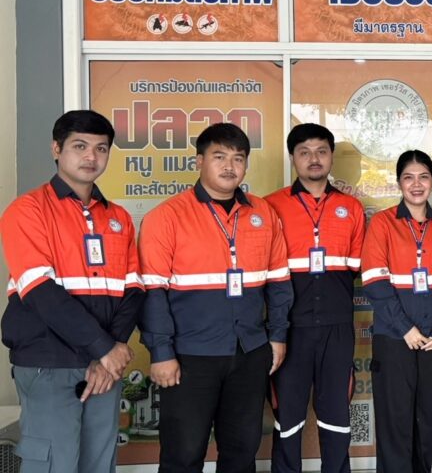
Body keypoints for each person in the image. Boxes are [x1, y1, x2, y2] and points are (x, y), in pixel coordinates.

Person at [139, 122, 294, 472]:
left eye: (238, 158)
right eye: (219, 156)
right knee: (183, 454)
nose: (229, 166)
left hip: (249, 352)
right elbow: (152, 293)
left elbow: (279, 282)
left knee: (242, 452)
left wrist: (278, 335)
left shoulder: (263, 213)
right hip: (189, 357)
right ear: (199, 162)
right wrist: (161, 352)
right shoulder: (166, 217)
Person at [0, 110, 142, 472]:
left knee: (99, 463)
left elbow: (134, 289)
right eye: (80, 146)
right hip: (49, 361)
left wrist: (109, 352)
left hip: (104, 366)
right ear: (56, 149)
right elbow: (41, 292)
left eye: (101, 148)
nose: (91, 156)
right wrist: (105, 348)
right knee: (54, 464)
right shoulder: (27, 211)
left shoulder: (119, 218)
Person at [265, 124, 365, 473]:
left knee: (336, 417)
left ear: (331, 156)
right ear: (293, 158)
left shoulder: (351, 207)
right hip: (289, 329)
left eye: (321, 151)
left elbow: (355, 267)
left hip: (337, 327)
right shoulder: (271, 206)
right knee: (288, 419)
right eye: (304, 152)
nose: (314, 159)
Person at [361, 150, 432, 473]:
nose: (416, 185)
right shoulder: (383, 223)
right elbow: (374, 281)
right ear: (398, 182)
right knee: (395, 422)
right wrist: (405, 328)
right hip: (395, 339)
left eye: (423, 177)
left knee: (426, 420)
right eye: (408, 177)